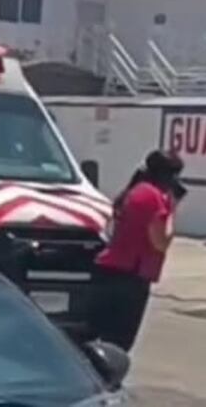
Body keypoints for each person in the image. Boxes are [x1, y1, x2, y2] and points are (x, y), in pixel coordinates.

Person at [84, 149, 186, 352]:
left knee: (102, 336)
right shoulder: (154, 197)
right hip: (130, 275)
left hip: (111, 270)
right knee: (120, 343)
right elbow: (160, 242)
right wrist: (172, 210)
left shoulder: (135, 191)